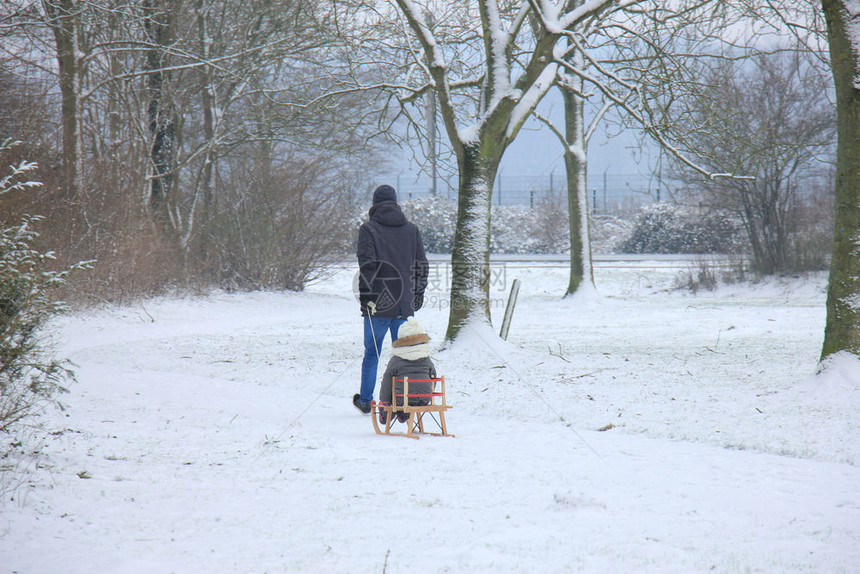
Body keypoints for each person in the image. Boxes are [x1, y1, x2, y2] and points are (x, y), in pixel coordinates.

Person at [354, 184, 428, 414]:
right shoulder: (412, 230)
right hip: (404, 305)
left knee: (372, 354)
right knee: (406, 354)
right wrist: (417, 295)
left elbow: (368, 267)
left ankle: (366, 401)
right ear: (396, 203)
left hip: (378, 304)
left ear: (374, 205)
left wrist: (366, 298)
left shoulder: (368, 229)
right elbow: (421, 266)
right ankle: (402, 401)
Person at [377, 316, 436, 424]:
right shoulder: (426, 359)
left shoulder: (396, 360)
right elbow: (433, 376)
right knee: (408, 395)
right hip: (425, 398)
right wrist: (429, 392)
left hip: (402, 399)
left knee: (395, 394)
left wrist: (384, 399)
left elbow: (387, 379)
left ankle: (387, 412)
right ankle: (403, 414)